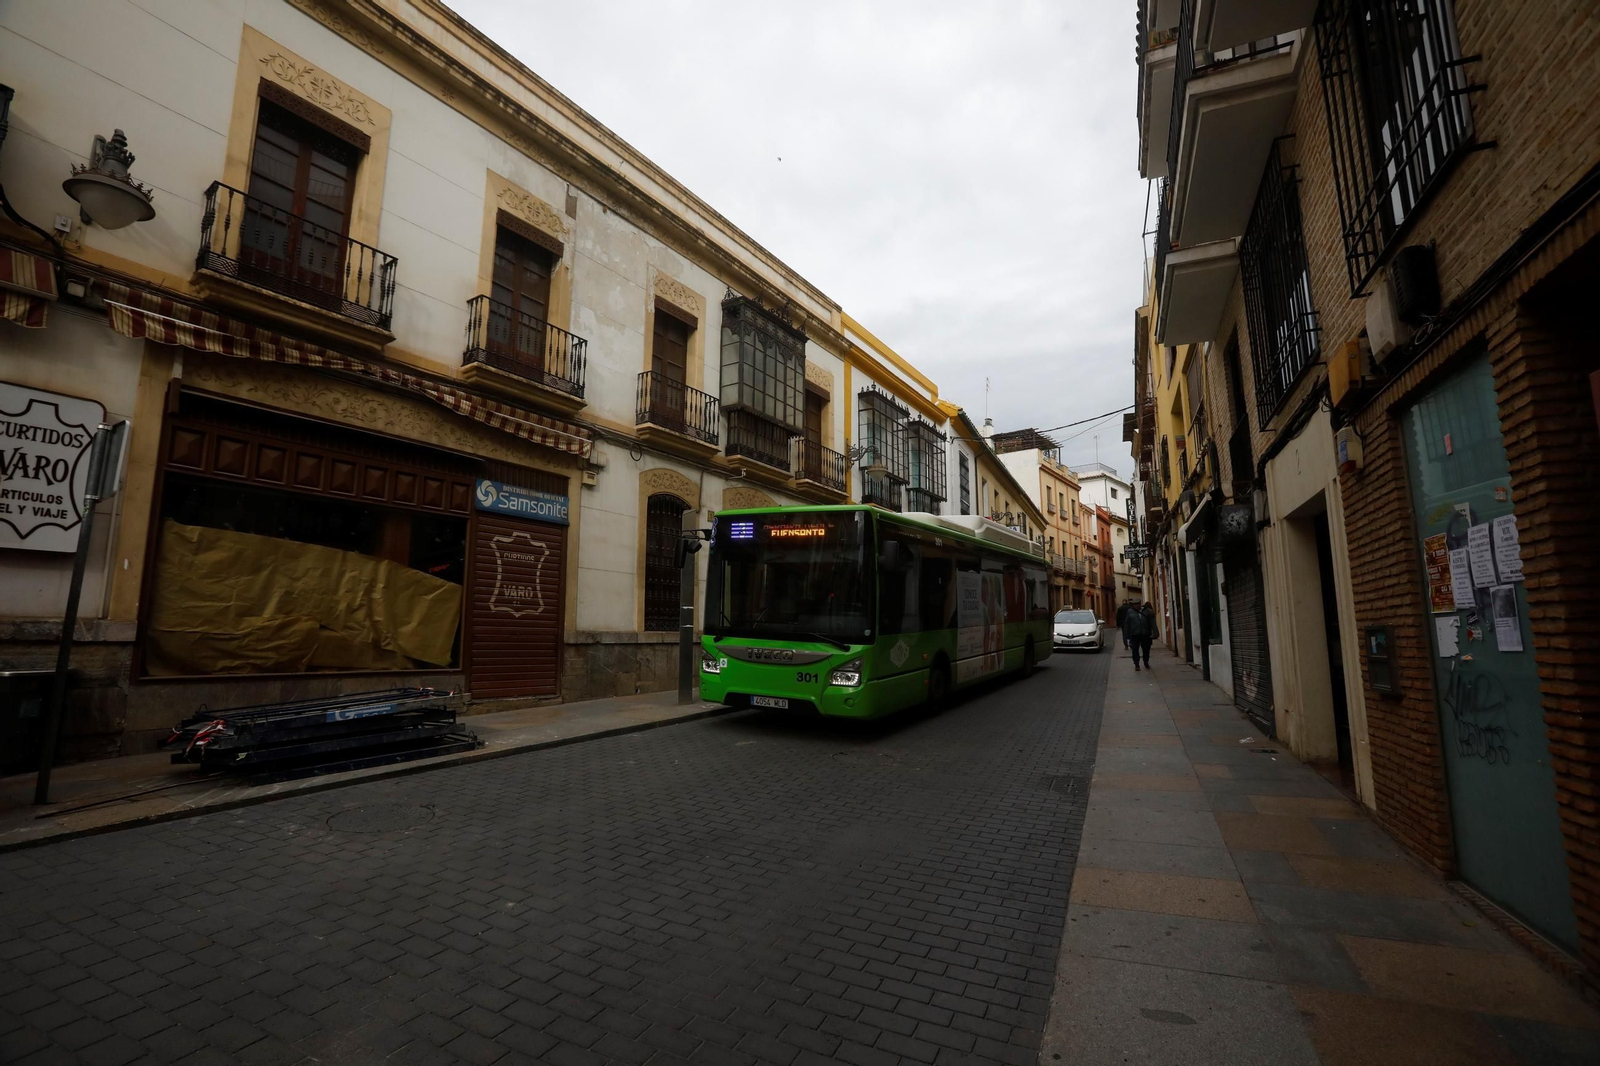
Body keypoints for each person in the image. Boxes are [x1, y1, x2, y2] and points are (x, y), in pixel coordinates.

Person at [1125, 600, 1156, 671]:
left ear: (1140, 604)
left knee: (1146, 649)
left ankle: (1146, 662)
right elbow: (1127, 624)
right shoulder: (1130, 612)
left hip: (1145, 633)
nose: (1137, 605)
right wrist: (1127, 636)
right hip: (1134, 634)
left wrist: (1155, 632)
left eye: (1138, 604)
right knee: (1135, 649)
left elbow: (1152, 622)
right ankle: (1136, 664)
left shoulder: (1147, 611)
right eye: (1135, 604)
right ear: (1132, 605)